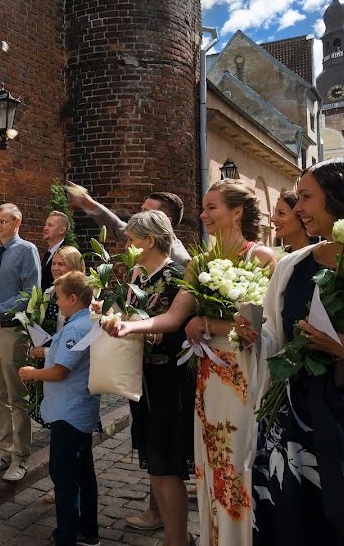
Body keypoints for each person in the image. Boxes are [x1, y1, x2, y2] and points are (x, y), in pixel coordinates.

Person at [234, 157, 344, 545]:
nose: (297, 209)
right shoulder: (292, 266)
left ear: (343, 199)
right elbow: (276, 340)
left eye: (307, 197)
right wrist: (254, 339)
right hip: (291, 424)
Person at [109, 180, 276, 544]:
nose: (203, 214)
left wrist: (211, 323)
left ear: (237, 212)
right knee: (210, 461)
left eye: (211, 207)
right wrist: (130, 325)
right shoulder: (199, 263)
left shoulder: (261, 258)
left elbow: (269, 323)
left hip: (244, 371)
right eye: (203, 207)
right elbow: (172, 318)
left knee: (241, 457)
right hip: (208, 374)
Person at [104, 211, 195, 546]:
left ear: (150, 240)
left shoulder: (179, 274)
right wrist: (109, 313)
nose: (127, 245)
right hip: (143, 379)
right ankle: (177, 535)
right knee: (155, 464)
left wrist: (132, 327)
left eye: (132, 240)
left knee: (168, 465)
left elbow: (172, 321)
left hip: (170, 380)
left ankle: (177, 541)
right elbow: (129, 314)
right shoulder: (139, 275)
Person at [18, 271, 99, 546]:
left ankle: (65, 535)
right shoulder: (86, 322)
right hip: (79, 409)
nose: (58, 303)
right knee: (84, 474)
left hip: (70, 412)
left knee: (64, 477)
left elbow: (59, 372)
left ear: (73, 298)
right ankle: (88, 531)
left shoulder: (76, 328)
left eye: (61, 298)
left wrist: (31, 373)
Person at [0, 203, 41, 482]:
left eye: (4, 221)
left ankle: (21, 456)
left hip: (12, 330)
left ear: (17, 222)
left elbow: (31, 293)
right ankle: (4, 451)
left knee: (16, 395)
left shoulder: (26, 250)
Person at [28, 245, 86, 427]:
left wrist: (46, 352)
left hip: (70, 370)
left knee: (68, 424)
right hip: (52, 367)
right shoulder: (48, 293)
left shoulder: (85, 297)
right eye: (54, 263)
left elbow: (81, 342)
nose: (55, 268)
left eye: (62, 264)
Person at [70, 189, 191, 266]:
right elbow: (115, 225)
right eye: (141, 210)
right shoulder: (139, 236)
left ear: (166, 221)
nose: (127, 245)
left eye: (146, 212)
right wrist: (89, 204)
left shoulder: (181, 260)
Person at [271, 189, 311, 253]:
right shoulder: (279, 257)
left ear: (301, 216)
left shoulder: (321, 257)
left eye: (281, 213)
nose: (272, 219)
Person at [41, 211, 69, 290]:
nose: (45, 228)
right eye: (46, 225)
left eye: (50, 225)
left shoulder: (67, 253)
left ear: (62, 230)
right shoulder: (48, 253)